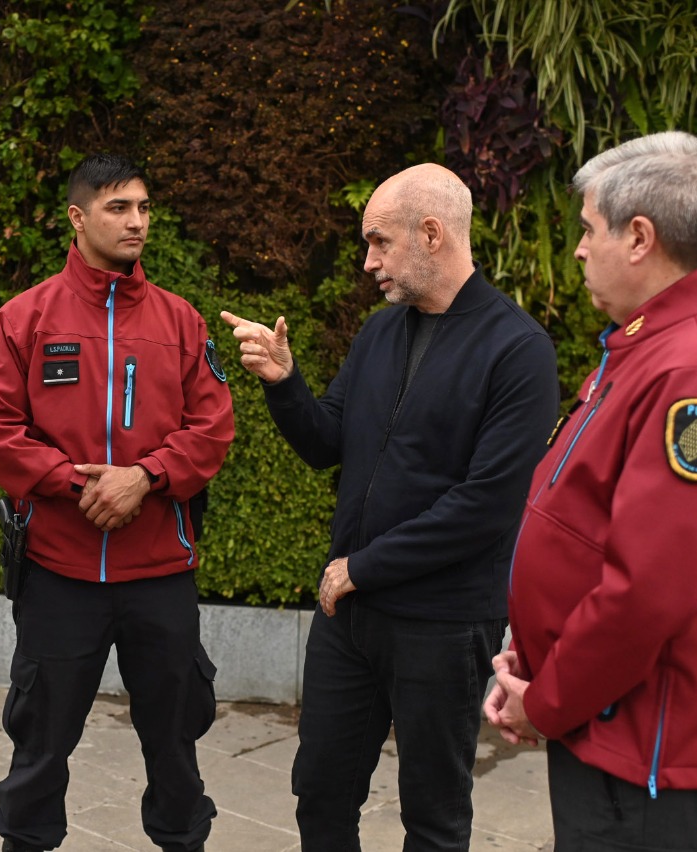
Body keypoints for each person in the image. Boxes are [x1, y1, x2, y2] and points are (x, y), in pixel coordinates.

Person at [222, 162, 560, 851]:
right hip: (352, 621)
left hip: (443, 623)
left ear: (431, 233)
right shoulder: (380, 332)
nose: (369, 261)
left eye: (379, 242)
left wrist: (360, 568)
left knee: (432, 818)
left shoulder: (518, 350)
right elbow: (326, 444)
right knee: (320, 793)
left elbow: (484, 509)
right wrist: (287, 384)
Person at [485, 131, 697, 852]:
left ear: (640, 237)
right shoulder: (653, 346)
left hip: (649, 748)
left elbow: (651, 586)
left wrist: (550, 701)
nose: (579, 249)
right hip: (610, 720)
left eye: (590, 229)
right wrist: (532, 663)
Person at [0, 153, 234, 852]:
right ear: (78, 218)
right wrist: (75, 483)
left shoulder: (181, 320)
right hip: (60, 574)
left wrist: (144, 478)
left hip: (160, 576)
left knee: (176, 747)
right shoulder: (23, 317)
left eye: (144, 207)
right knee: (40, 746)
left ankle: (182, 840)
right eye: (119, 208)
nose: (138, 222)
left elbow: (213, 427)